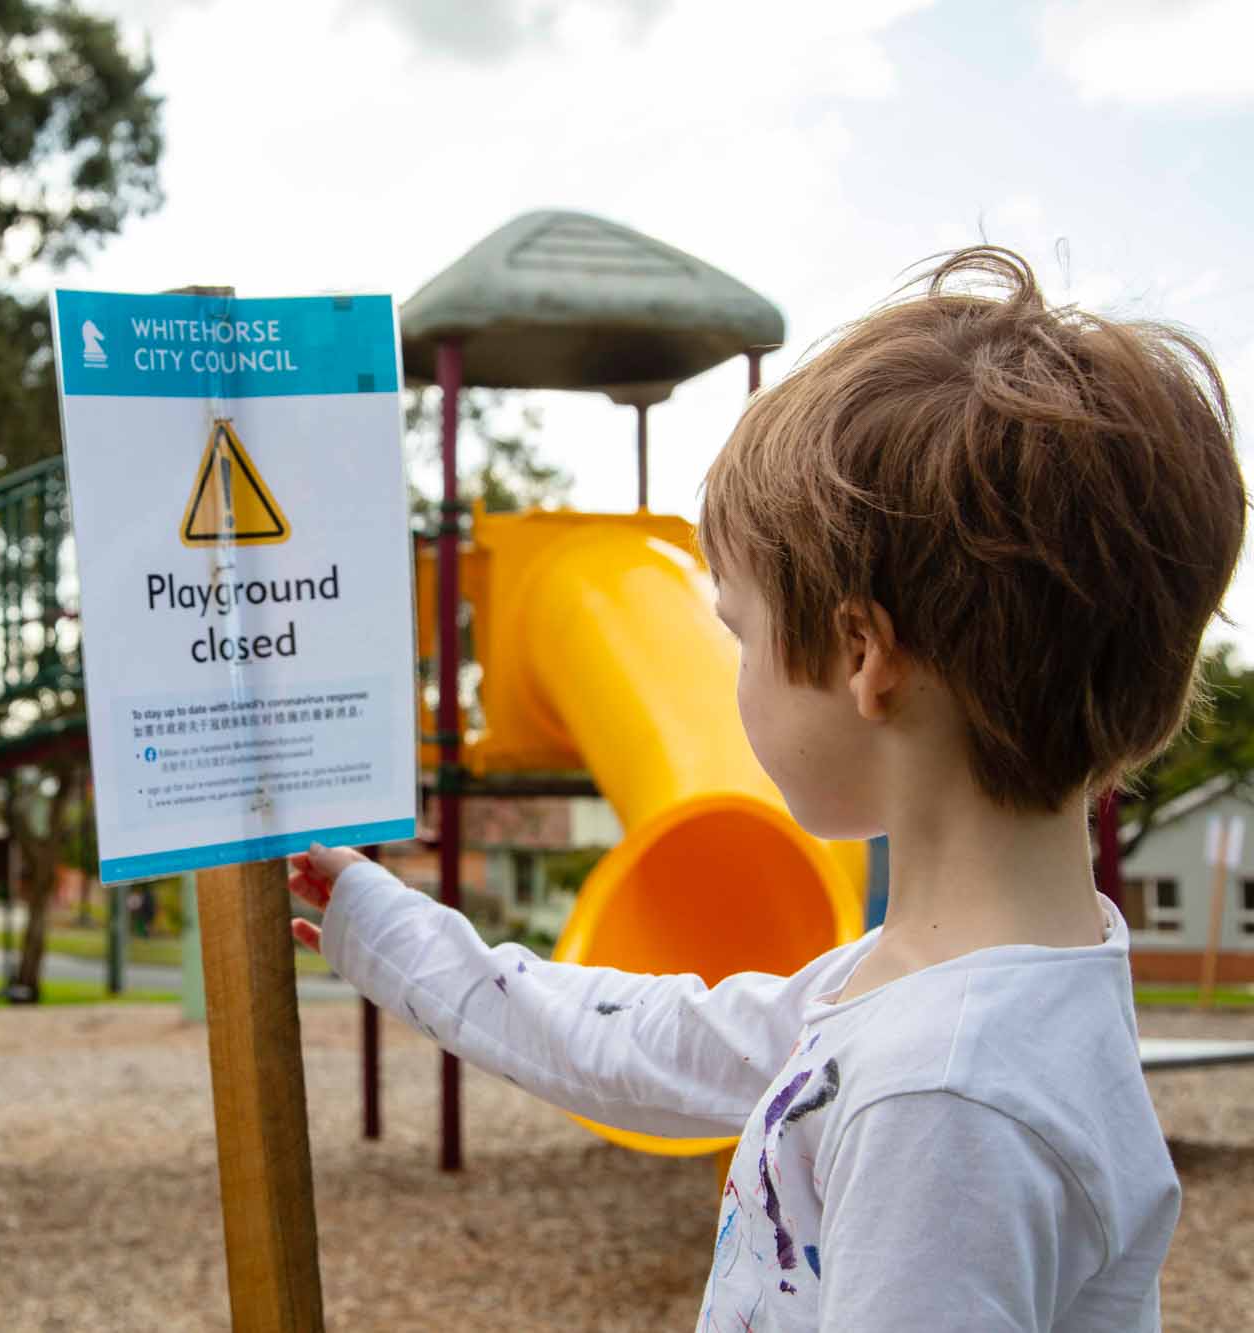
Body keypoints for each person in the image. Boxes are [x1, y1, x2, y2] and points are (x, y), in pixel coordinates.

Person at [288, 247, 1244, 1332]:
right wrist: (376, 919)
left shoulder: (940, 1099)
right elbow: (636, 1041)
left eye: (736, 630)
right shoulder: (955, 986)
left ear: (859, 656)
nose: (726, 670)